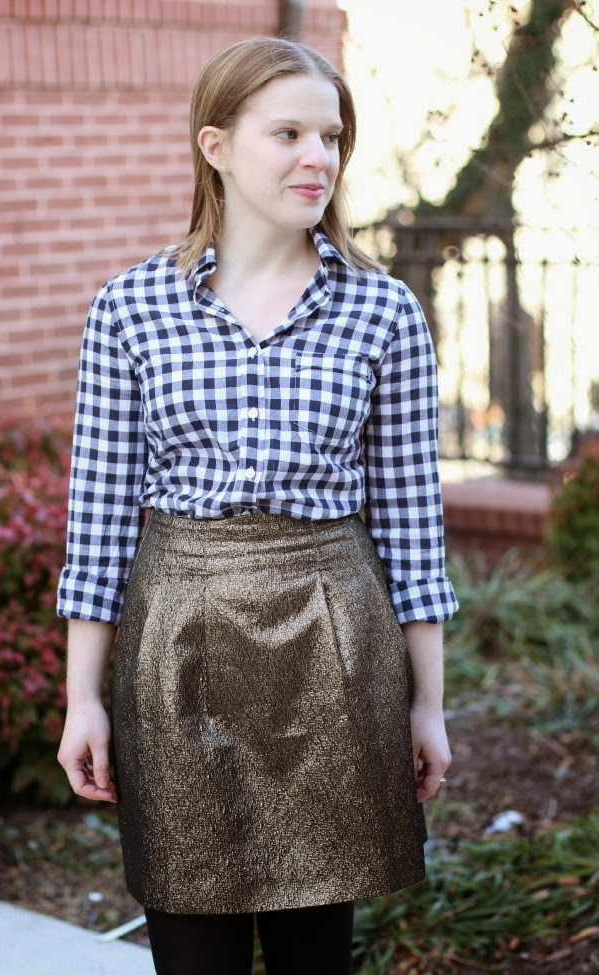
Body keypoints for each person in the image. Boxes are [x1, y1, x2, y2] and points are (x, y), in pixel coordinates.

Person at [56, 35, 458, 975]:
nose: (317, 157)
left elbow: (411, 523)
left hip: (336, 644)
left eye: (331, 136)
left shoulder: (383, 311)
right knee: (191, 947)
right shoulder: (129, 308)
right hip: (177, 642)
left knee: (317, 948)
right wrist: (82, 694)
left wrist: (429, 703)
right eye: (288, 134)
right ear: (216, 146)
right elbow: (99, 516)